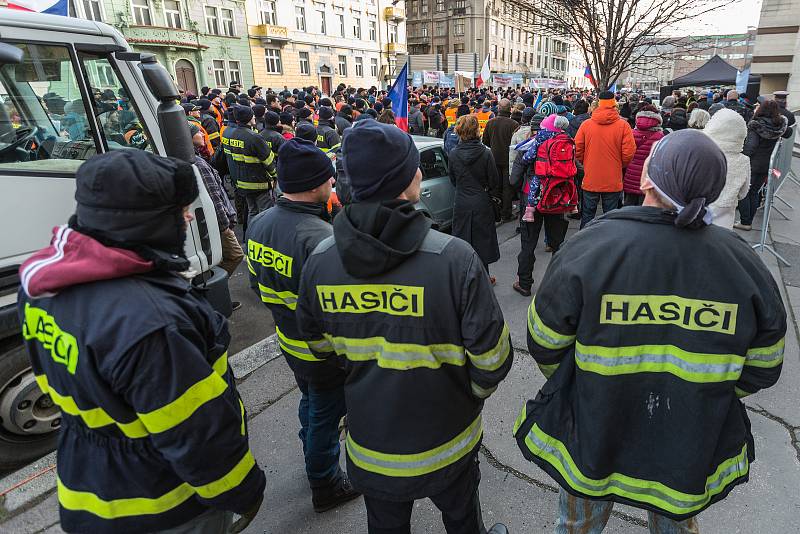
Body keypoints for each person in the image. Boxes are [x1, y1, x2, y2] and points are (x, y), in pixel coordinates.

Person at [515, 129, 786, 534]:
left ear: (645, 179)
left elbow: (544, 340)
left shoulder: (592, 247)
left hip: (594, 426)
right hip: (686, 438)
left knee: (576, 527)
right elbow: (764, 366)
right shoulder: (745, 267)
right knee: (675, 521)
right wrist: (701, 393)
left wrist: (583, 383)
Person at [18, 150, 266, 533]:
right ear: (145, 221)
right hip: (165, 502)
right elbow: (196, 433)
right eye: (178, 209)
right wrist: (244, 491)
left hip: (86, 481)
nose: (187, 217)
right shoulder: (154, 323)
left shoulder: (41, 283)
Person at [295, 120, 512, 534]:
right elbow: (494, 359)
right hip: (449, 442)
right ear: (411, 179)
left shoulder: (321, 260)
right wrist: (468, 395)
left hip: (372, 445)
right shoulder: (455, 258)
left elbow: (319, 352)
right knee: (464, 521)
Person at [245, 138, 359, 513]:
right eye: (329, 178)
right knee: (327, 415)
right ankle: (325, 483)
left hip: (287, 339)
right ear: (314, 185)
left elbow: (256, 286)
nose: (333, 183)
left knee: (311, 402)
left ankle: (310, 444)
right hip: (322, 351)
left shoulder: (259, 223)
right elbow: (338, 310)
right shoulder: (320, 239)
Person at [509, 114, 572, 297]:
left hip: (531, 200)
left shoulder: (527, 148)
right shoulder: (562, 145)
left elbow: (513, 180)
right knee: (556, 243)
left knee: (528, 243)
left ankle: (525, 283)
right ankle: (556, 284)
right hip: (555, 198)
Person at [448, 115, 501, 283]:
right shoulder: (486, 152)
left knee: (463, 240)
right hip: (481, 201)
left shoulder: (454, 153)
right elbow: (494, 180)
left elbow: (453, 180)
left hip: (462, 200)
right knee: (482, 242)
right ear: (477, 130)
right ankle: (483, 277)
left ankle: (464, 277)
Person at [575, 91, 636, 228]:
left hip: (591, 177)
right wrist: (618, 164)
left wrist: (587, 162)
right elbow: (629, 152)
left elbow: (577, 149)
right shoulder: (623, 126)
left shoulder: (586, 124)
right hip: (613, 178)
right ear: (614, 103)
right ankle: (609, 245)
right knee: (610, 216)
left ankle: (584, 244)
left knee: (588, 215)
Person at [734, 99, 788, 230]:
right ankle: (747, 221)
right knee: (753, 192)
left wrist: (741, 156)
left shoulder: (755, 125)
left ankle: (745, 222)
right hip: (766, 164)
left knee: (743, 192)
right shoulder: (779, 125)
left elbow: (751, 146)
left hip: (753, 163)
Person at [221, 104, 278, 224]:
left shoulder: (233, 134)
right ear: (249, 118)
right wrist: (275, 176)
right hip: (258, 182)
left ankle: (250, 236)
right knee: (265, 213)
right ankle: (263, 238)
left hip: (242, 182)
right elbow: (268, 161)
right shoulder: (254, 137)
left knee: (252, 211)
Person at [705, 109, 751, 229]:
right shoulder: (743, 160)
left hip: (697, 213)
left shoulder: (703, 153)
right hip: (724, 220)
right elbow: (743, 193)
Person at [482, 98, 520, 221]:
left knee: (495, 186)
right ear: (510, 109)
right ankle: (506, 213)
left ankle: (495, 211)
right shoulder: (513, 124)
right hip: (508, 160)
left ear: (498, 108)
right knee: (507, 188)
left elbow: (485, 141)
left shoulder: (491, 122)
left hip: (494, 159)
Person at [623, 105, 664, 206]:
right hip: (648, 176)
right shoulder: (660, 136)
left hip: (631, 174)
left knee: (629, 206)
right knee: (644, 207)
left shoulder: (631, 133)